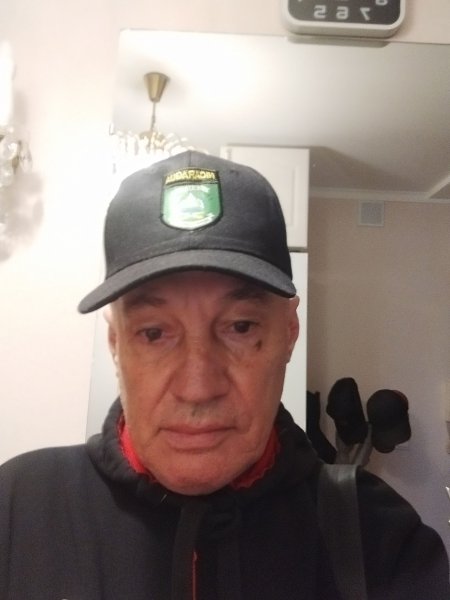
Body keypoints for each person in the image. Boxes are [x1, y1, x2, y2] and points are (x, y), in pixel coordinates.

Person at [0, 151, 448, 600]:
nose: (198, 388)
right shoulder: (18, 509)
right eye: (154, 333)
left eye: (241, 327)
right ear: (116, 342)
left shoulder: (379, 537)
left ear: (289, 331)